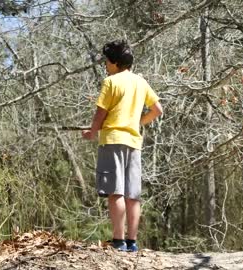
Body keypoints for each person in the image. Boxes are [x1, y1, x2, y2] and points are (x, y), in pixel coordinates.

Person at [82, 40, 163, 252]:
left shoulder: (110, 82)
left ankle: (118, 241)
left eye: (107, 62)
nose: (105, 66)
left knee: (115, 191)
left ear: (115, 63)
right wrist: (138, 122)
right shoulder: (140, 82)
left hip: (112, 140)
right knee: (132, 194)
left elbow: (100, 113)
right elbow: (157, 110)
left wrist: (92, 132)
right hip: (134, 143)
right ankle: (132, 242)